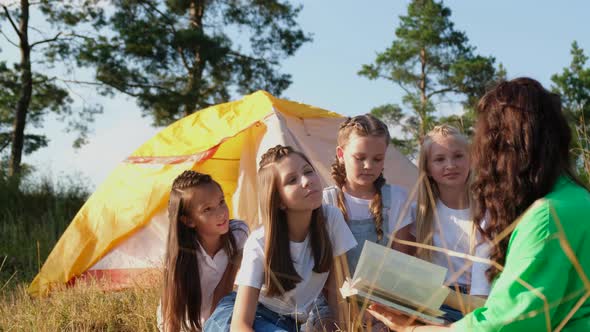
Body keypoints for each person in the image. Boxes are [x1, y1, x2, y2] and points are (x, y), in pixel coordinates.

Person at [368, 77, 590, 331]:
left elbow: (501, 325)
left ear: (507, 148)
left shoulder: (547, 217)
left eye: (486, 144)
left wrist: (411, 329)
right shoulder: (577, 199)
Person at [204, 145, 357, 332]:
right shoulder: (260, 241)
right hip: (239, 318)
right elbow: (240, 325)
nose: (306, 181)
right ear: (278, 201)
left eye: (308, 171)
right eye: (292, 180)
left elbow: (338, 290)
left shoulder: (331, 219)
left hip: (289, 324)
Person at [411, 125, 491, 321]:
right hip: (434, 300)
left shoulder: (486, 211)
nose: (450, 165)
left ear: (471, 160)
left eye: (458, 156)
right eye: (439, 159)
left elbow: (484, 274)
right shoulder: (420, 213)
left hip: (479, 301)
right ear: (428, 169)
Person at [158, 170, 249, 331]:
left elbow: (223, 295)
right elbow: (171, 317)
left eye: (221, 202)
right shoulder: (181, 255)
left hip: (220, 315)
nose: (221, 212)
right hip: (185, 323)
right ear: (189, 220)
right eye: (207, 209)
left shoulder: (238, 233)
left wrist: (214, 326)